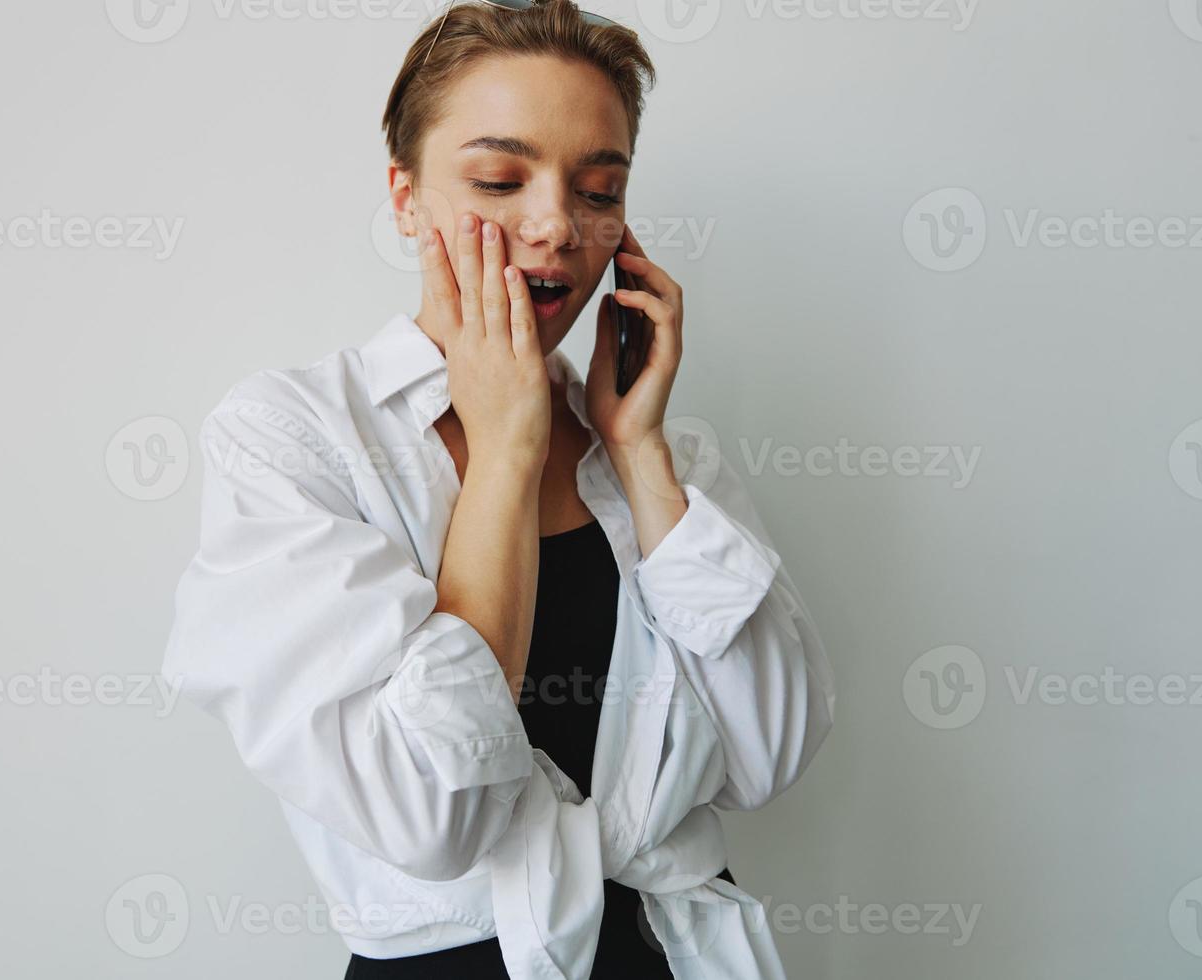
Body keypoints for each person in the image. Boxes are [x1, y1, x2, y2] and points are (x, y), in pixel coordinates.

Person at [161, 2, 835, 977]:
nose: (557, 225)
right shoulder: (295, 437)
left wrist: (639, 450)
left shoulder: (663, 450)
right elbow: (436, 813)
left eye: (599, 188)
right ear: (405, 197)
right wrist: (509, 448)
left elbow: (769, 753)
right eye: (498, 178)